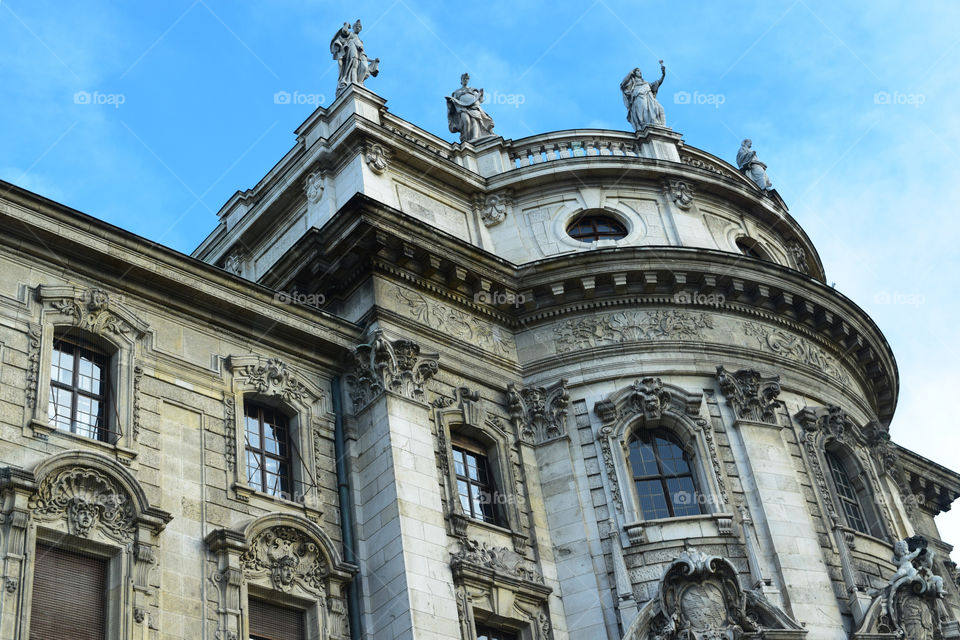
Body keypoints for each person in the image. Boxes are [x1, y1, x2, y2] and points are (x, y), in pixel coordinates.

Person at [330, 20, 379, 94]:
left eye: (359, 27)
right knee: (354, 65)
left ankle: (359, 83)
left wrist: (373, 61)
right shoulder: (351, 34)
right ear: (353, 27)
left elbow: (364, 54)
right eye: (356, 26)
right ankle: (353, 81)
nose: (358, 27)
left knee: (364, 68)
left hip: (362, 56)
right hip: (352, 53)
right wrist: (346, 25)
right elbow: (344, 31)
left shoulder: (360, 41)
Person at [446, 74, 496, 143]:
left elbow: (479, 99)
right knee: (466, 121)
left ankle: (475, 137)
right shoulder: (457, 92)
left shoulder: (472, 89)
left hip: (473, 107)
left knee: (474, 120)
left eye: (467, 79)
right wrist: (450, 102)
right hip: (462, 108)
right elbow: (454, 102)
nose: (465, 80)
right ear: (461, 81)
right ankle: (466, 139)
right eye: (464, 79)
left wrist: (480, 95)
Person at [621, 61, 666, 131]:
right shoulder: (632, 84)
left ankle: (655, 125)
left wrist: (663, 74)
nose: (640, 73)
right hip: (639, 97)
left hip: (649, 98)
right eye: (638, 71)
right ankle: (644, 125)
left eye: (640, 71)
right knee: (643, 112)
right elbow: (622, 84)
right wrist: (630, 73)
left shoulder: (646, 83)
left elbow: (658, 83)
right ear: (634, 73)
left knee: (660, 109)